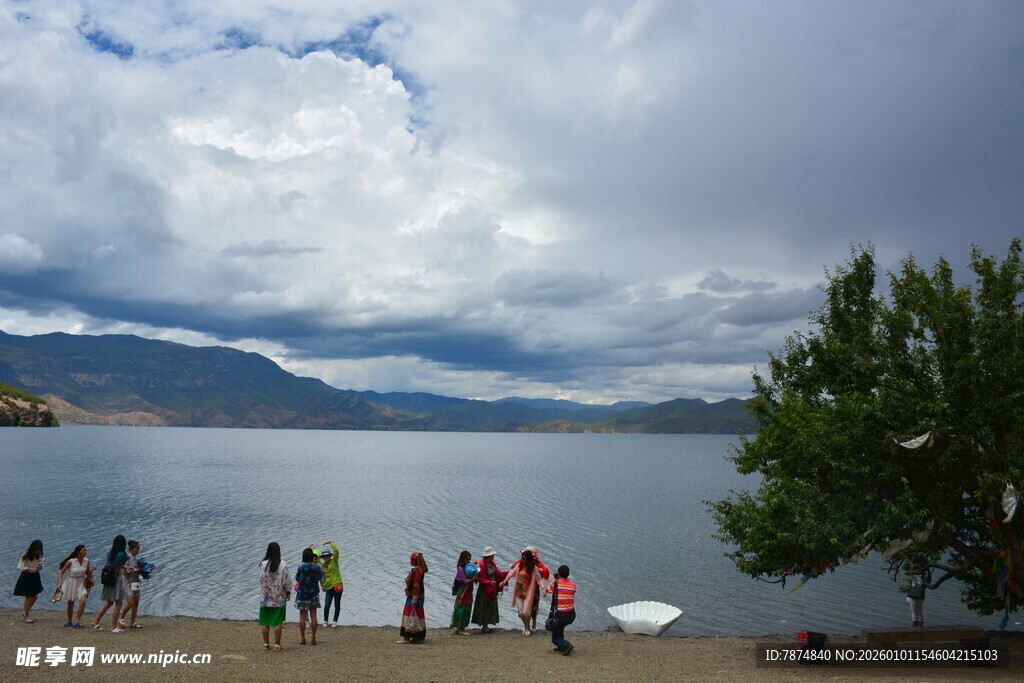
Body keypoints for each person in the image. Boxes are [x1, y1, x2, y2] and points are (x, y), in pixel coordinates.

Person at [90, 535, 127, 632]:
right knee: (118, 603)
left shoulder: (110, 553)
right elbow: (123, 564)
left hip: (108, 579)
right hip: (116, 579)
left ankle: (95, 621)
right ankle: (113, 627)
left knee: (109, 602)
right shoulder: (122, 554)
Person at [501, 549, 543, 636]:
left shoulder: (534, 569)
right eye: (522, 558)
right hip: (519, 590)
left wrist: (543, 588)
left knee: (526, 611)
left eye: (524, 559)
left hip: (528, 592)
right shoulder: (519, 566)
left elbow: (539, 580)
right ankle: (527, 627)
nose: (522, 560)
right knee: (521, 612)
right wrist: (504, 581)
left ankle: (527, 629)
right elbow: (511, 573)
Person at [259, 542, 291, 651]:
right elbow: (286, 581)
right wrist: (288, 592)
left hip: (265, 597)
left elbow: (261, 579)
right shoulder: (283, 564)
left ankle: (266, 644)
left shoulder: (263, 564)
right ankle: (277, 645)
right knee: (278, 622)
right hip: (278, 598)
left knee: (265, 621)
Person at [510, 546, 550, 631]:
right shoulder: (522, 562)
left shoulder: (537, 564)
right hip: (522, 587)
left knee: (533, 606)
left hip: (533, 588)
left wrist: (540, 571)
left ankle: (533, 624)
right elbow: (514, 566)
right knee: (522, 609)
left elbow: (545, 572)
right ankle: (527, 626)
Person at [56, 544, 94, 627]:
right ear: (78, 552)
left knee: (83, 600)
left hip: (81, 582)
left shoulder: (86, 561)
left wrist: (92, 571)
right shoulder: (71, 562)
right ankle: (69, 621)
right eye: (83, 550)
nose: (85, 552)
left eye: (85, 550)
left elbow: (87, 573)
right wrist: (59, 583)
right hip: (71, 582)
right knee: (70, 602)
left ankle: (77, 621)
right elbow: (61, 572)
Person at [471, 546, 506, 634]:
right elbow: (481, 579)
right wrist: (489, 582)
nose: (493, 557)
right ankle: (484, 626)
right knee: (485, 606)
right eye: (492, 555)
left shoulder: (492, 563)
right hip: (484, 590)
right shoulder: (482, 565)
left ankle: (486, 625)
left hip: (491, 588)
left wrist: (506, 574)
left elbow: (497, 572)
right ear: (488, 556)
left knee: (490, 607)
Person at [295, 547, 324, 645]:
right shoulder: (316, 567)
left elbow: (297, 578)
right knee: (314, 616)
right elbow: (321, 576)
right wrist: (315, 581)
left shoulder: (300, 567)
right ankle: (313, 639)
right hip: (313, 594)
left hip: (302, 594)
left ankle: (303, 639)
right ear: (312, 557)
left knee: (302, 616)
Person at [546, 564, 577, 656]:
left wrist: (553, 580)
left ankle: (566, 645)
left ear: (558, 574)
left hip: (561, 615)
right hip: (571, 615)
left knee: (554, 639)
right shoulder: (573, 585)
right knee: (560, 629)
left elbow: (548, 590)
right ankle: (561, 647)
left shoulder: (555, 583)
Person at [398, 552, 428, 644]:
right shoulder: (420, 571)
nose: (410, 561)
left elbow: (416, 586)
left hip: (413, 597)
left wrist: (414, 601)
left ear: (415, 561)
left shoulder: (416, 572)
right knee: (418, 615)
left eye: (411, 560)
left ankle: (407, 637)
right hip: (419, 597)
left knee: (408, 614)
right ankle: (418, 636)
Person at [13, 540, 44, 623]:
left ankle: (25, 612)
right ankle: (26, 616)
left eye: (39, 549)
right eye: (37, 549)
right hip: (27, 576)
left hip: (35, 576)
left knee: (35, 596)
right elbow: (21, 567)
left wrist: (41, 563)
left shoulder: (39, 555)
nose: (38, 551)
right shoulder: (25, 554)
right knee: (29, 596)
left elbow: (40, 566)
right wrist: (33, 569)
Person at [118, 540, 143, 629]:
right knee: (131, 602)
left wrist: (143, 571)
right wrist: (133, 570)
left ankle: (132, 623)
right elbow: (124, 571)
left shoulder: (136, 558)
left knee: (136, 602)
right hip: (127, 582)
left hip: (136, 581)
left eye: (139, 548)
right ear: (132, 549)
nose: (138, 550)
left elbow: (137, 570)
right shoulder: (127, 557)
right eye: (137, 548)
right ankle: (121, 617)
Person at [450, 550, 476, 635]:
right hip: (463, 591)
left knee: (467, 607)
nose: (469, 561)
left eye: (469, 559)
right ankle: (460, 628)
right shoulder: (460, 568)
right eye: (467, 559)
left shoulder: (467, 567)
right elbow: (462, 580)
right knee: (462, 608)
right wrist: (472, 579)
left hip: (468, 590)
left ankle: (462, 627)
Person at [319, 541, 343, 628]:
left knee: (337, 604)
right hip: (328, 587)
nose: (326, 557)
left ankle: (335, 621)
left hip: (337, 586)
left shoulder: (334, 561)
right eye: (324, 556)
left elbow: (336, 550)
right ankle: (325, 620)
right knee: (327, 604)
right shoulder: (322, 566)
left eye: (327, 555)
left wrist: (330, 543)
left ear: (329, 555)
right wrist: (322, 585)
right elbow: (322, 576)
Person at [906, 558, 932, 627]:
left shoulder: (924, 572)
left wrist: (912, 575)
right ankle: (919, 631)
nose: (916, 565)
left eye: (917, 563)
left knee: (914, 615)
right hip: (920, 594)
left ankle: (914, 632)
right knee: (919, 614)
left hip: (916, 594)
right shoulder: (926, 571)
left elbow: (919, 584)